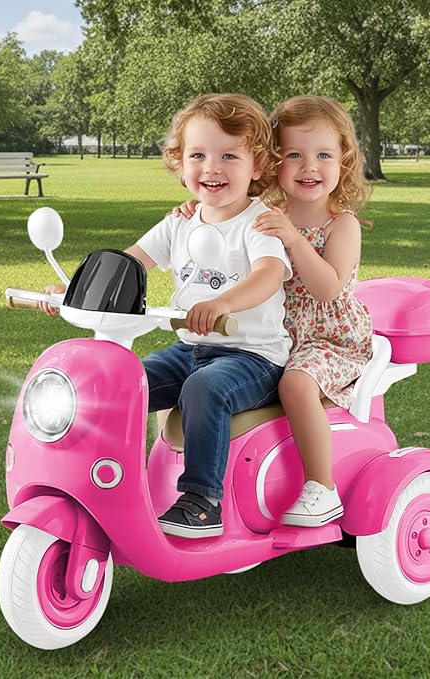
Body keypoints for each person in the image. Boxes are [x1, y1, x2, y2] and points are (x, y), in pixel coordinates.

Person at [41, 93, 292, 539]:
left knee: (205, 388)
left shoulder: (259, 222)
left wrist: (224, 303)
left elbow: (269, 274)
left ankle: (202, 501)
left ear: (257, 165)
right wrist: (76, 289)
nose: (211, 168)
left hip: (253, 357)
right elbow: (131, 262)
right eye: (198, 155)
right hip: (190, 349)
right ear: (180, 162)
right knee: (120, 381)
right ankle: (98, 477)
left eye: (229, 156)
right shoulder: (180, 223)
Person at [172, 95, 373, 527]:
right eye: (294, 155)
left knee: (296, 385)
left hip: (327, 339)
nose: (309, 166)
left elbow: (327, 289)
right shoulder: (263, 213)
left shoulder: (342, 223)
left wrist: (295, 239)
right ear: (273, 161)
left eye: (323, 155)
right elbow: (221, 226)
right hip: (272, 335)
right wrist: (198, 212)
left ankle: (321, 487)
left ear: (344, 161)